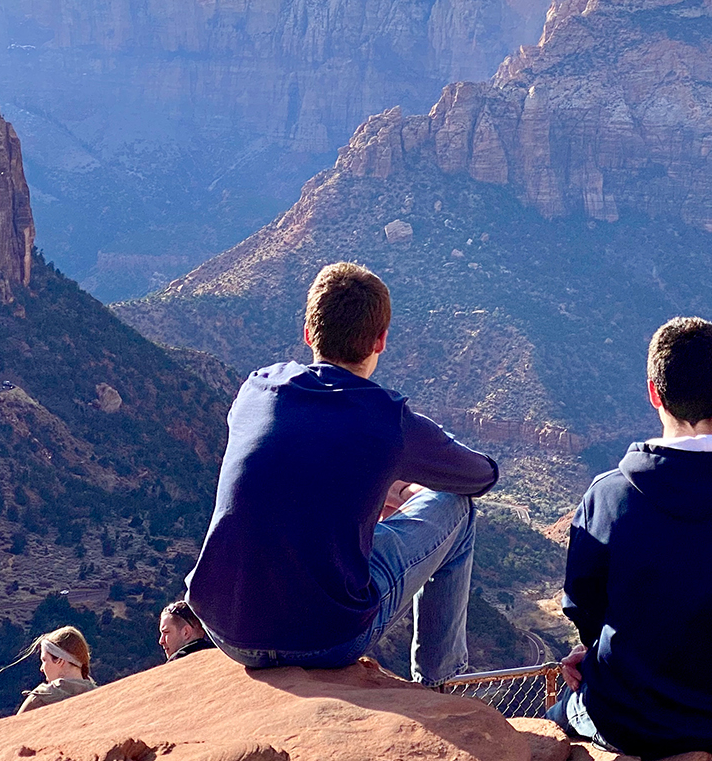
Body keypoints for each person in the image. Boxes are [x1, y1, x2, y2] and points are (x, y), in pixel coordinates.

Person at [185, 262, 499, 684]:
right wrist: (396, 478)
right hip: (325, 640)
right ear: (380, 341)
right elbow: (481, 477)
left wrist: (375, 483)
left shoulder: (257, 388)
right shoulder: (386, 419)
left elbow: (295, 465)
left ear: (309, 334)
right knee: (456, 508)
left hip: (225, 627)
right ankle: (442, 683)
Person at [549, 316, 712, 759]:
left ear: (653, 394)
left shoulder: (608, 496)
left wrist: (602, 651)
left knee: (550, 724)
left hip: (623, 718)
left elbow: (582, 604)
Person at [10, 626, 97, 714]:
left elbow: (14, 726)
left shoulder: (40, 700)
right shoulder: (98, 695)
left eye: (44, 660)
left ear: (60, 660)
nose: (41, 669)